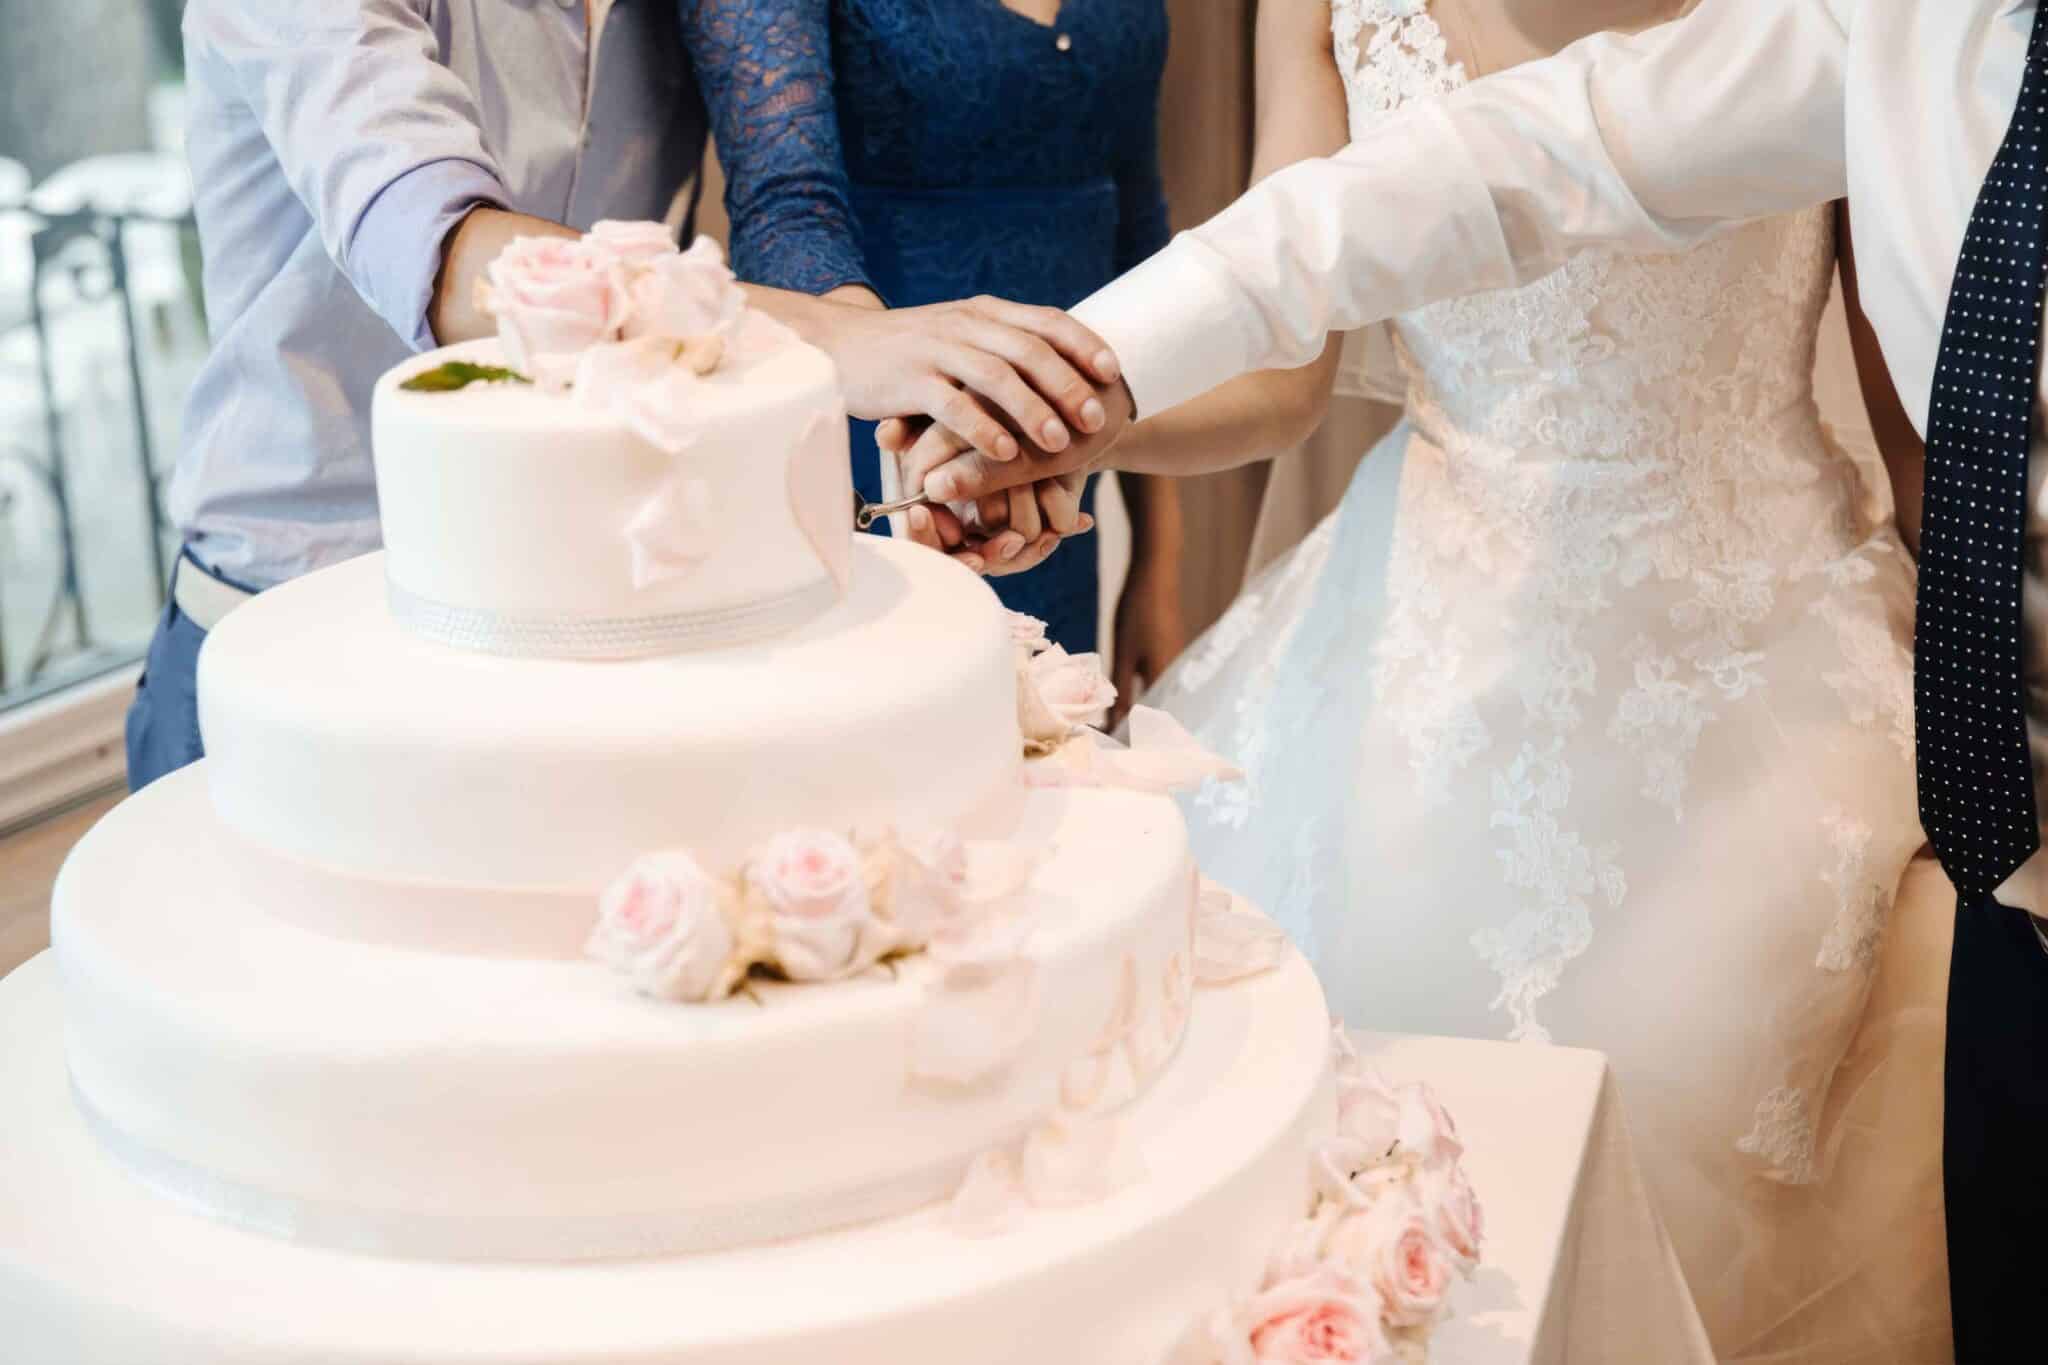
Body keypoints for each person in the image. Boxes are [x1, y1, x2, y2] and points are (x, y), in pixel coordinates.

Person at [912, 2, 2048, 1356]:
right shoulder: (1894, 31)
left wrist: (1974, 687)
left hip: (1771, 626)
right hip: (1430, 634)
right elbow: (1479, 181)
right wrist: (1077, 407)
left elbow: (1931, 411)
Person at [129, 0, 1125, 791]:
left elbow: (786, 197)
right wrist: (846, 346)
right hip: (297, 636)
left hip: (572, 640)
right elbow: (454, 262)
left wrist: (936, 424)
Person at [685, 0, 1187, 674]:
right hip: (891, 445)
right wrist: (936, 417)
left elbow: (1139, 240)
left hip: (1059, 474)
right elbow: (786, 209)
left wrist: (1160, 555)